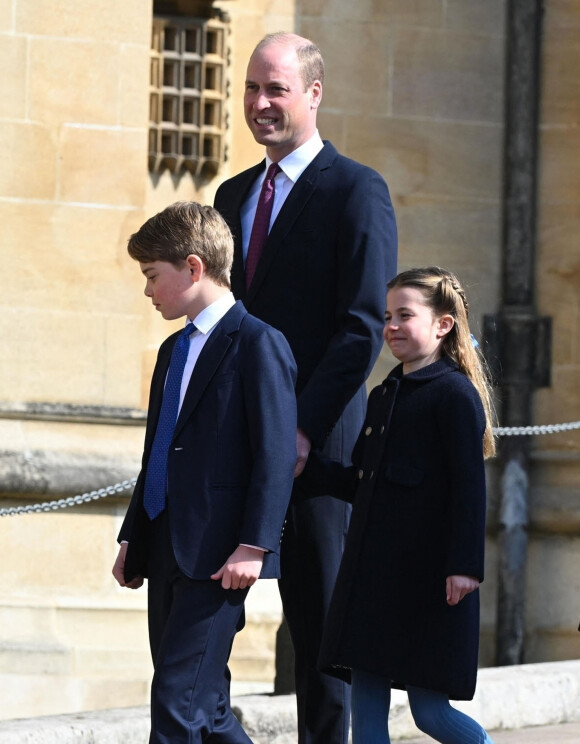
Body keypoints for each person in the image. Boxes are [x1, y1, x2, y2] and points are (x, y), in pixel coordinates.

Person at [214, 32, 398, 744]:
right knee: (205, 621)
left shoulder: (357, 190)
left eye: (277, 90)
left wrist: (298, 428)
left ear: (313, 94)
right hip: (235, 448)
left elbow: (359, 329)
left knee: (322, 632)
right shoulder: (231, 196)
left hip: (317, 455)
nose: (261, 104)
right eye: (253, 89)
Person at [112, 201, 298, 744]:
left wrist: (255, 546)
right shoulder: (172, 350)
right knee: (207, 707)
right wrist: (134, 536)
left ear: (193, 268)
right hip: (165, 542)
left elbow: (275, 454)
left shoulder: (259, 343)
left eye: (152, 276)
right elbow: (159, 452)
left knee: (175, 704)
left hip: (218, 555)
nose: (148, 291)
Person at [308, 267, 496, 743]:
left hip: (429, 581)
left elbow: (469, 490)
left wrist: (464, 567)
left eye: (404, 315)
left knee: (430, 712)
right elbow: (362, 482)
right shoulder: (384, 394)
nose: (391, 326)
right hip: (372, 581)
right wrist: (303, 467)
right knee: (365, 708)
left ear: (443, 324)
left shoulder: (454, 396)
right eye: (387, 316)